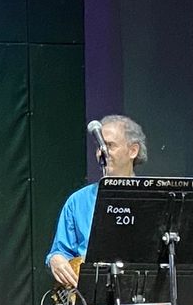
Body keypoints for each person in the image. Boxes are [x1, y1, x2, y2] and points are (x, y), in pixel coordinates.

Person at [47, 115, 147, 290]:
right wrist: (55, 259)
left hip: (143, 295)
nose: (102, 152)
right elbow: (61, 252)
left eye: (110, 145)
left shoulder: (153, 198)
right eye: (99, 146)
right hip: (91, 297)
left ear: (133, 151)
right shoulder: (77, 201)